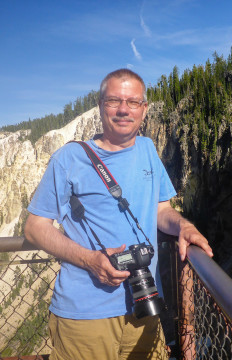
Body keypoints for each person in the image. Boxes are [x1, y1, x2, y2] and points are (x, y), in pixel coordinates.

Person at [24, 69, 213, 360]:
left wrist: (183, 227)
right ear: (100, 105)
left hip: (145, 302)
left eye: (133, 102)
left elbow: (161, 210)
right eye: (114, 100)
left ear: (144, 109)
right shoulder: (68, 159)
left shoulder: (148, 149)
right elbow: (35, 227)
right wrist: (90, 260)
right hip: (86, 315)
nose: (123, 109)